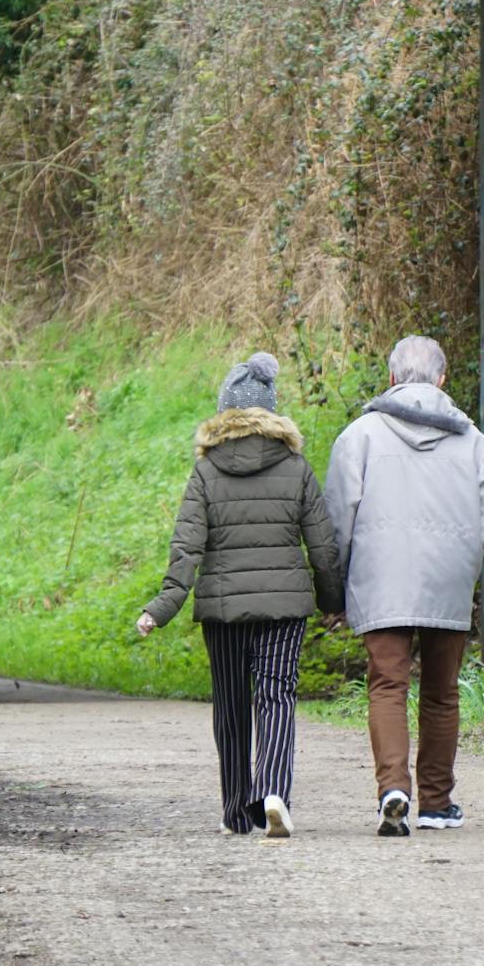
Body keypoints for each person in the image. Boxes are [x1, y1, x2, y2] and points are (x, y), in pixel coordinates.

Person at [136, 353, 342, 838]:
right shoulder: (296, 466)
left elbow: (186, 547)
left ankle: (236, 811)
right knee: (277, 696)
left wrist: (162, 607)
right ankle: (272, 792)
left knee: (231, 705)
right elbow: (323, 544)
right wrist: (333, 600)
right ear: (273, 413)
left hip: (224, 609)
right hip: (285, 608)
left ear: (223, 413)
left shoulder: (206, 472)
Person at [324, 336, 484, 837]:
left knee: (388, 684)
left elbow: (338, 517)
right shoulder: (474, 441)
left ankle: (393, 789)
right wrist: (469, 561)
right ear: (442, 380)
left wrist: (339, 581)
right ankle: (437, 802)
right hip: (447, 578)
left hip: (380, 578)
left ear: (390, 379)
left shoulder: (359, 437)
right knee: (441, 692)